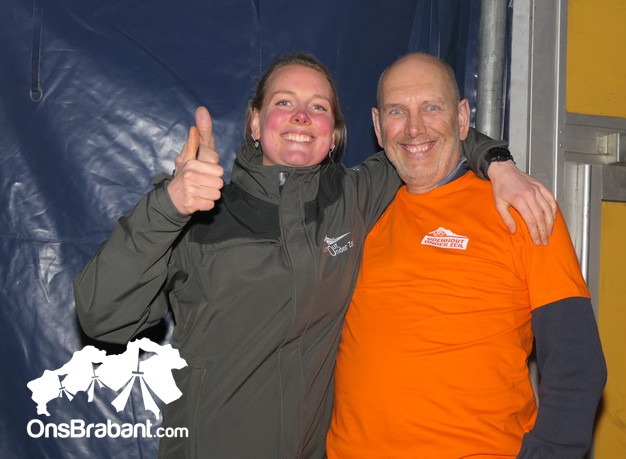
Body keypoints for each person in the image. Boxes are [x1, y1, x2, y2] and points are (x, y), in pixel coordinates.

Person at [74, 52, 556, 458]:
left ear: (335, 133)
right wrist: (168, 206)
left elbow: (424, 134)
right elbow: (102, 317)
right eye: (284, 103)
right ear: (256, 122)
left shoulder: (353, 196)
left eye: (318, 107)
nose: (301, 116)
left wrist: (498, 163)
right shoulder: (199, 209)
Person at [327, 53, 607, 458]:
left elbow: (576, 364)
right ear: (377, 125)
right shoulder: (357, 215)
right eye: (397, 111)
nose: (414, 128)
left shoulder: (521, 208)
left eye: (431, 108)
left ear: (462, 118)